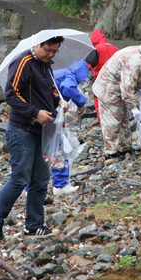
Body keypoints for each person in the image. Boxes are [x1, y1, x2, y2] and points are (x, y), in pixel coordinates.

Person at [0, 36, 69, 241]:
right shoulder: (23, 62)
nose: (51, 54)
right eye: (48, 50)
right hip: (22, 129)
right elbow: (10, 94)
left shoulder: (46, 65)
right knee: (20, 177)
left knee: (40, 178)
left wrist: (60, 103)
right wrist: (35, 112)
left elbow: (51, 90)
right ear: (38, 45)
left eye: (55, 51)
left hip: (41, 131)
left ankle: (34, 226)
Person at [92, 45, 141, 159]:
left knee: (124, 117)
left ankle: (125, 147)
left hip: (117, 85)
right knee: (113, 121)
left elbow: (133, 78)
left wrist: (139, 88)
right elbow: (127, 88)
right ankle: (111, 152)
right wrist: (134, 107)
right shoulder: (136, 61)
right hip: (107, 87)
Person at [50, 60, 89, 196]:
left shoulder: (56, 71)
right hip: (50, 114)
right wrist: (81, 103)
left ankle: (28, 187)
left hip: (43, 112)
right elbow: (68, 87)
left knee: (43, 149)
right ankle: (60, 184)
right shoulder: (69, 74)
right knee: (59, 147)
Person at [85, 29, 119, 125]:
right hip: (115, 82)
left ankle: (104, 129)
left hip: (100, 82)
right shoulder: (115, 48)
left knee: (99, 106)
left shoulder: (97, 49)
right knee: (114, 105)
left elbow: (88, 66)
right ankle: (115, 126)